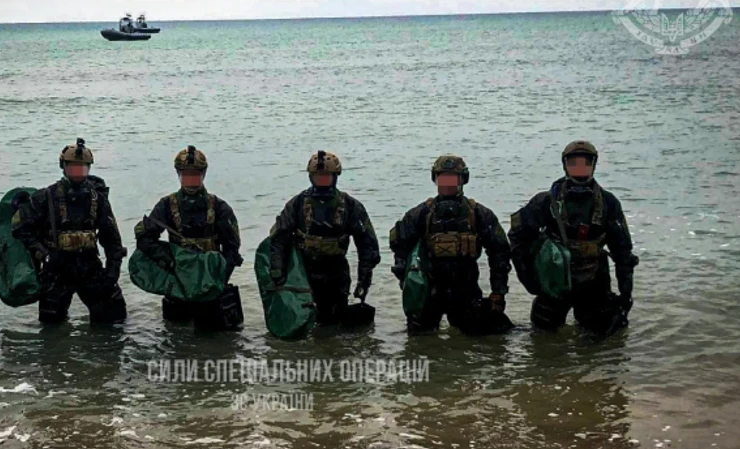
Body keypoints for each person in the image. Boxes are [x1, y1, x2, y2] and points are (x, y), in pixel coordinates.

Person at [508, 140, 638, 335]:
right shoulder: (545, 202)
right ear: (565, 165)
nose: (579, 168)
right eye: (573, 163)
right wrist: (530, 281)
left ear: (593, 165)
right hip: (553, 281)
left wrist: (625, 295)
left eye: (585, 163)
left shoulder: (608, 202)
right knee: (543, 341)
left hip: (594, 282)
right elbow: (518, 238)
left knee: (601, 346)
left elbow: (623, 252)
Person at [389, 155, 513, 335]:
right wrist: (408, 284)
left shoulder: (479, 214)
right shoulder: (420, 214)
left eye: (452, 178)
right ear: (435, 179)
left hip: (466, 290)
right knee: (420, 343)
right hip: (429, 292)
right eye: (442, 178)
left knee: (480, 344)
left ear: (463, 180)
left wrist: (498, 292)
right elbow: (399, 246)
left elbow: (500, 253)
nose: (447, 184)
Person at [11, 138, 128, 324]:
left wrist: (112, 273)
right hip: (57, 268)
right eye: (73, 167)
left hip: (89, 266)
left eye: (82, 167)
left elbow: (111, 239)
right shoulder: (45, 197)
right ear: (63, 167)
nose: (77, 172)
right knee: (51, 326)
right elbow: (20, 228)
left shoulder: (97, 198)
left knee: (113, 319)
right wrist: (42, 253)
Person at [134, 146, 244, 328]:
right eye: (186, 174)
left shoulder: (219, 207)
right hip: (178, 283)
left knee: (218, 340)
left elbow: (232, 249)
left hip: (211, 283)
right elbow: (144, 239)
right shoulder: (166, 206)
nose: (191, 179)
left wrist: (218, 279)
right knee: (175, 337)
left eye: (195, 174)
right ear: (178, 174)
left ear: (203, 174)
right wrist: (168, 262)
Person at [268, 151, 381, 325]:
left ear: (335, 177)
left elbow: (367, 245)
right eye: (317, 177)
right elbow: (278, 239)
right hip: (303, 274)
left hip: (336, 274)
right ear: (311, 177)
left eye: (326, 177)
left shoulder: (351, 206)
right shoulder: (297, 204)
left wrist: (363, 281)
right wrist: (277, 272)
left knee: (334, 324)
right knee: (305, 321)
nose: (321, 181)